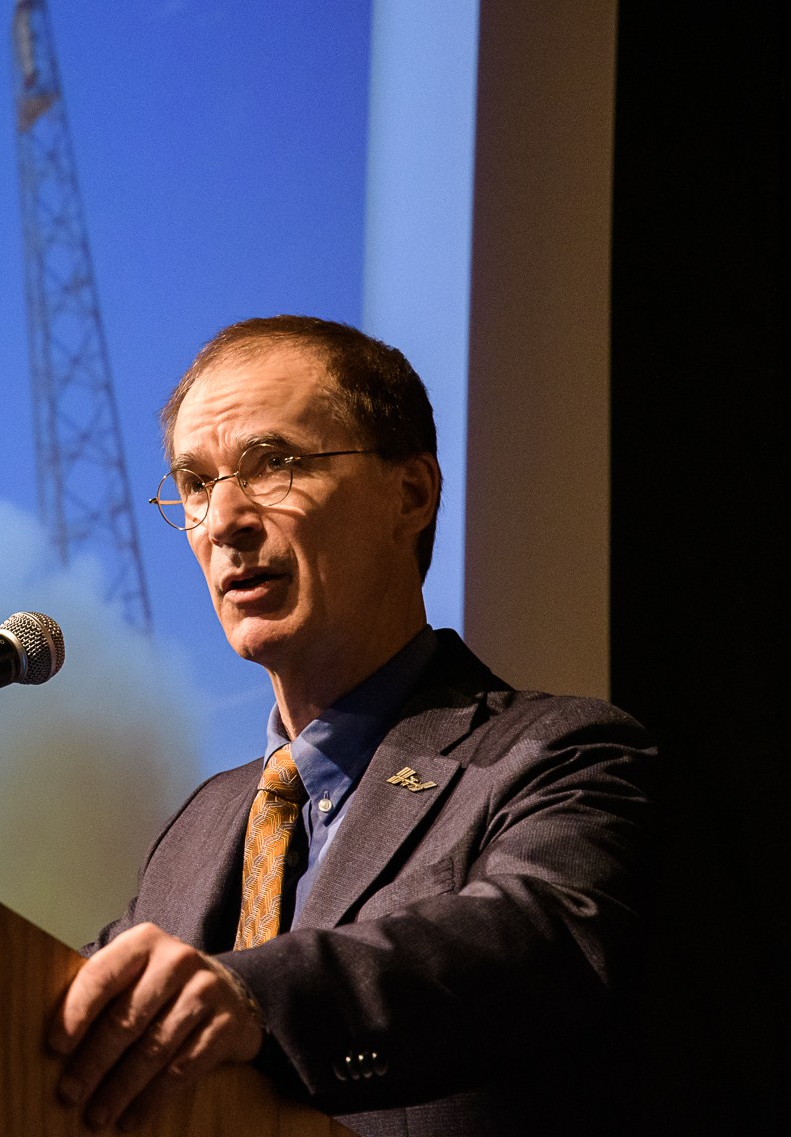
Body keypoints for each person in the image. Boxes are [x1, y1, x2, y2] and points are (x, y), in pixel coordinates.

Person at [49, 316, 653, 1135]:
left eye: (274, 465)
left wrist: (253, 998)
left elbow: (538, 945)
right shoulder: (198, 830)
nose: (224, 519)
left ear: (411, 494)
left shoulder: (558, 759)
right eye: (194, 483)